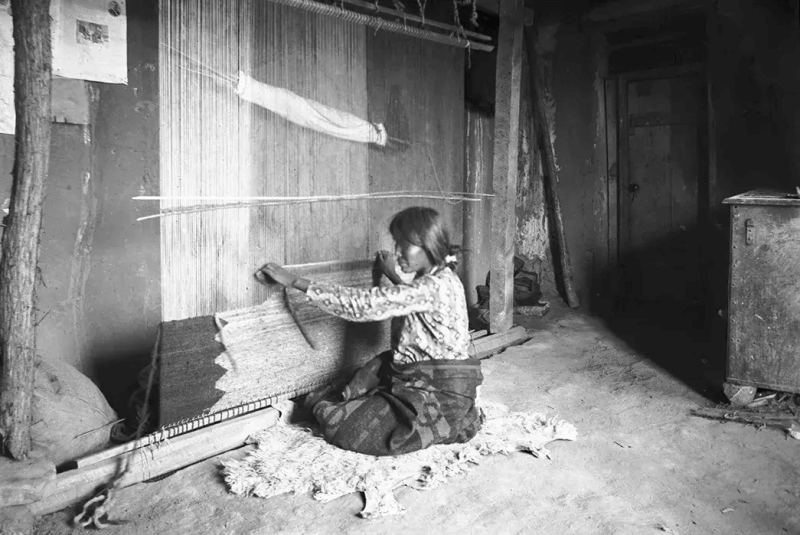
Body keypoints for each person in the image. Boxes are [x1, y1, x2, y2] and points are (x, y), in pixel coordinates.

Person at [258, 206, 484, 456]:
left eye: (404, 245)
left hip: (439, 391)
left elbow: (364, 304)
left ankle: (443, 418)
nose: (397, 252)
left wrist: (293, 281)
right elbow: (414, 300)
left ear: (427, 246)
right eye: (396, 244)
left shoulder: (431, 286)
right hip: (435, 379)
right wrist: (392, 275)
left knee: (344, 426)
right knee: (370, 377)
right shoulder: (443, 277)